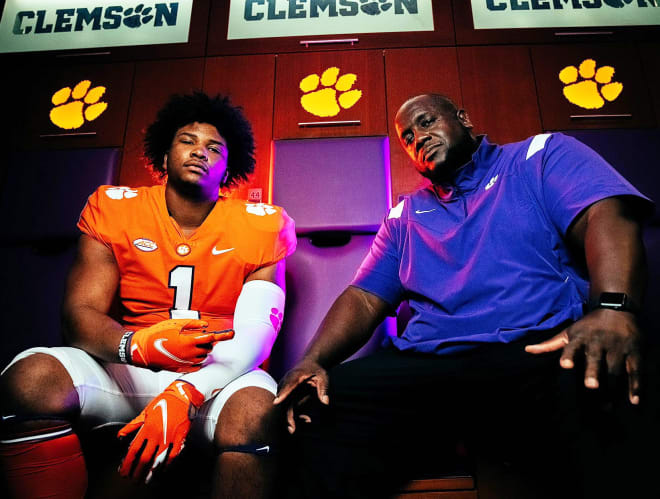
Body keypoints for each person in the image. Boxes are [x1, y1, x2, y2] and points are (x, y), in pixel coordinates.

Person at [274, 94, 655, 498]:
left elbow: (605, 212)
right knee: (322, 403)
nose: (418, 137)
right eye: (407, 137)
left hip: (534, 351)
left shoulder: (539, 156)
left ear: (463, 118)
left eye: (426, 122)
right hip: (431, 364)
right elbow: (365, 297)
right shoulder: (404, 216)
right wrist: (312, 361)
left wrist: (614, 309)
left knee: (599, 377)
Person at [0, 91, 296, 498]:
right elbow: (79, 315)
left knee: (255, 413)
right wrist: (137, 344)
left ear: (229, 168)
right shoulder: (115, 208)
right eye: (187, 140)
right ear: (163, 154)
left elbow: (256, 335)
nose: (200, 152)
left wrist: (188, 391)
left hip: (218, 372)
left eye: (215, 147)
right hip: (130, 369)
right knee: (30, 379)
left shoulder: (262, 224)